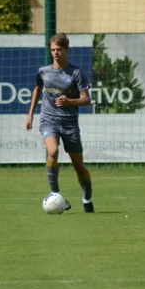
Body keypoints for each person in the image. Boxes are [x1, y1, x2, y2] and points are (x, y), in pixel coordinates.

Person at [26, 33, 95, 213]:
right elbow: (37, 89)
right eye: (53, 50)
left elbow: (86, 100)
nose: (56, 53)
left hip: (70, 124)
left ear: (66, 50)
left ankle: (87, 199)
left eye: (59, 50)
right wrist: (30, 114)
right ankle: (56, 195)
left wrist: (70, 102)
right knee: (53, 151)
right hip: (49, 120)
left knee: (78, 166)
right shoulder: (43, 71)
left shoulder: (76, 73)